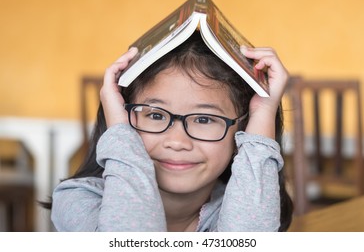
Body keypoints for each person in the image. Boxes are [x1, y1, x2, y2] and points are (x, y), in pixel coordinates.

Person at [49, 31, 293, 231]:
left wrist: (264, 111)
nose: (177, 142)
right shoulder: (79, 200)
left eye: (204, 119)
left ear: (243, 129)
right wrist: (120, 133)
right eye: (155, 115)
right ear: (121, 121)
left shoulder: (249, 204)